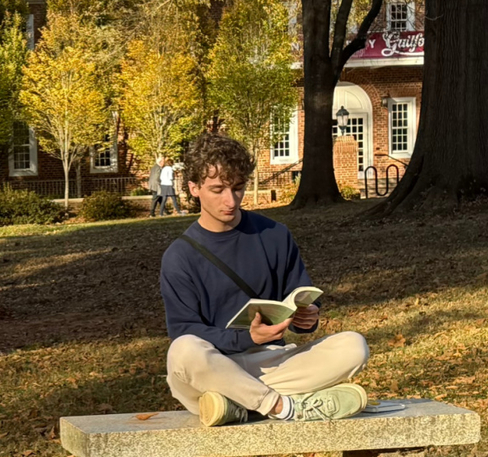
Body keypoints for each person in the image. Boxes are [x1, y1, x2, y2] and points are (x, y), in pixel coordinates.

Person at [159, 135, 371, 427]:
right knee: (183, 352)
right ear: (194, 188)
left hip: (271, 364)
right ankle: (283, 406)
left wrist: (305, 318)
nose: (230, 200)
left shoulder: (274, 234)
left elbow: (296, 293)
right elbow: (184, 331)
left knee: (353, 346)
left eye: (237, 188)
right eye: (218, 189)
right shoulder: (179, 256)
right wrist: (247, 338)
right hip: (212, 366)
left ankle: (234, 404)